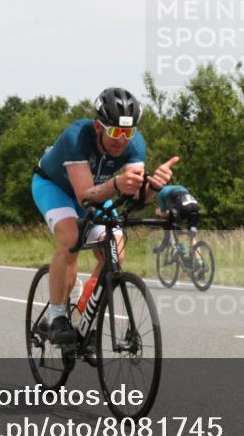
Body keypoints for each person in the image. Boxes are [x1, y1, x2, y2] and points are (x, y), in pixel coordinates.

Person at [31, 87, 179, 345]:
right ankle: (56, 318)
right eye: (115, 132)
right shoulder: (76, 137)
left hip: (98, 189)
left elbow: (137, 197)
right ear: (98, 127)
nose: (121, 140)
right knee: (71, 239)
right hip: (55, 187)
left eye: (128, 132)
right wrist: (118, 184)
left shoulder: (135, 146)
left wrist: (153, 186)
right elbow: (85, 197)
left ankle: (82, 313)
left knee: (116, 251)